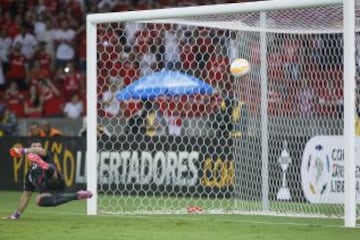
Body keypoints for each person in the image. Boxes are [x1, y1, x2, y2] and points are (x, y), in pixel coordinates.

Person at [4, 141, 92, 220]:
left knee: (49, 172)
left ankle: (46, 167)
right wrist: (16, 215)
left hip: (55, 180)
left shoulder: (46, 154)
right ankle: (77, 195)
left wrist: (22, 150)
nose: (37, 148)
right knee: (39, 200)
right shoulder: (29, 174)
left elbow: (40, 151)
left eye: (39, 146)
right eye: (34, 146)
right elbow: (26, 196)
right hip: (49, 191)